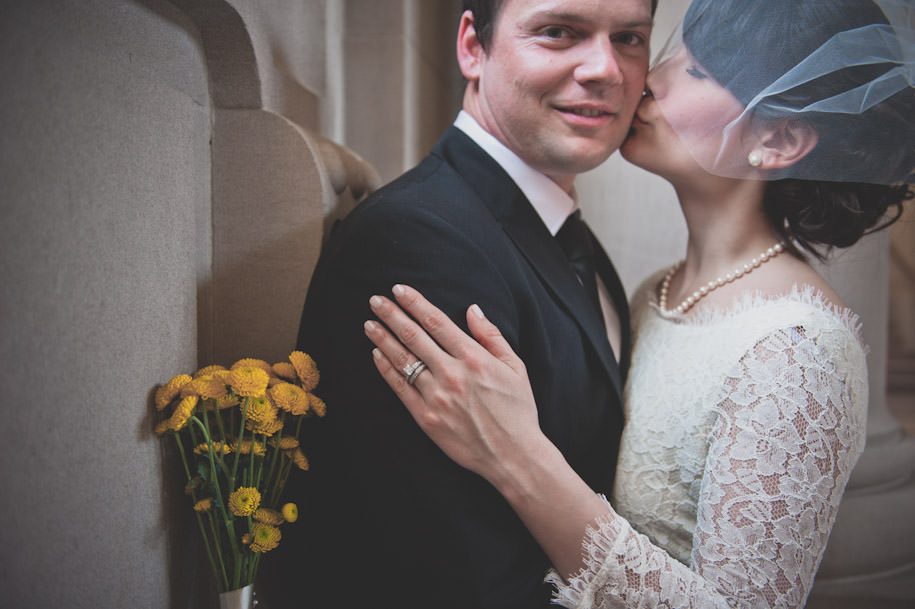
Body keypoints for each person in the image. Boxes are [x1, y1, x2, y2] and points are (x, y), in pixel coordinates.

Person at [364, 1, 915, 607]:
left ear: (779, 139)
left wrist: (519, 458)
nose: (645, 77)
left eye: (699, 72)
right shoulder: (656, 291)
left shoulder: (798, 345)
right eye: (668, 53)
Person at [264, 2, 658, 608]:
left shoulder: (563, 232)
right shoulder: (422, 243)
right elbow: (456, 581)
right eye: (559, 32)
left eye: (629, 37)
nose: (606, 68)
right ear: (473, 46)